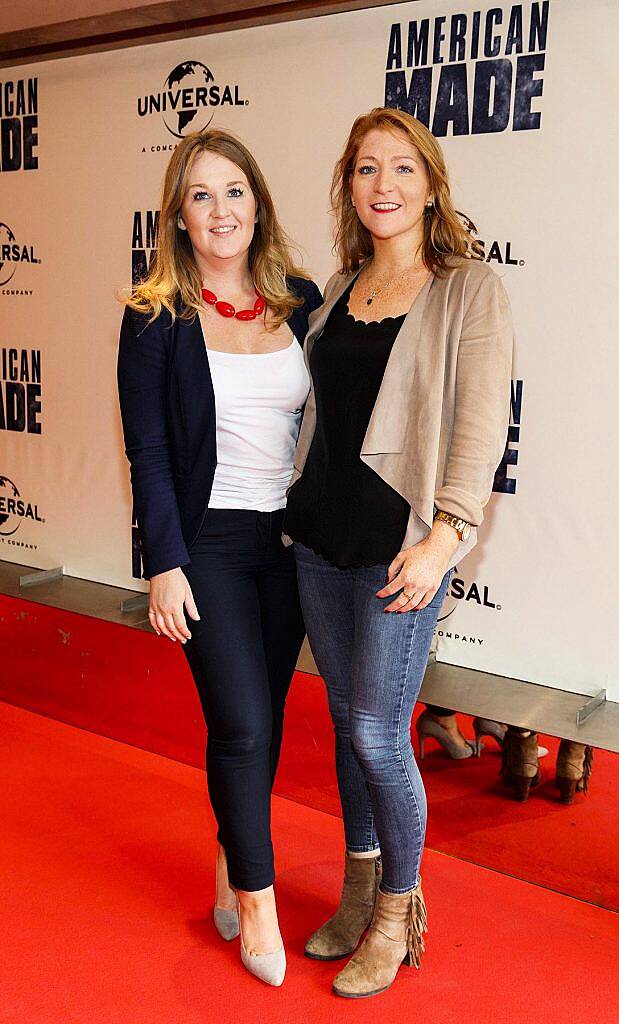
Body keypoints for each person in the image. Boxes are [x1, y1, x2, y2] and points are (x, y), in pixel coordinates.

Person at [284, 107, 513, 998]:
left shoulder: (467, 289)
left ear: (430, 185)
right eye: (366, 168)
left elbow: (480, 425)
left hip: (400, 552)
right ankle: (354, 891)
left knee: (380, 735)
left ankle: (396, 913)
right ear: (349, 185)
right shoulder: (337, 289)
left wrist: (445, 537)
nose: (384, 185)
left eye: (402, 168)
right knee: (347, 730)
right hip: (320, 539)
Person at [117, 129, 322, 988]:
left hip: (288, 543)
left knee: (263, 721)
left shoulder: (300, 300)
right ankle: (259, 898)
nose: (220, 209)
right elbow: (150, 451)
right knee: (238, 723)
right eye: (200, 195)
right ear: (179, 217)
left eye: (232, 191)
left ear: (257, 203)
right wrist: (164, 562)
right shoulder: (154, 315)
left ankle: (229, 854)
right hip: (207, 544)